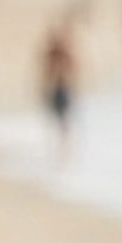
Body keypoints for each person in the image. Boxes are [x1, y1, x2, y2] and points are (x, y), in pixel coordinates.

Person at [40, 22, 78, 150]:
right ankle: (59, 146)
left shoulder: (65, 53)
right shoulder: (51, 53)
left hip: (64, 89)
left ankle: (65, 147)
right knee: (57, 119)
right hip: (55, 89)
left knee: (64, 120)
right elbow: (45, 72)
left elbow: (74, 70)